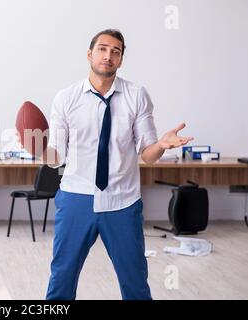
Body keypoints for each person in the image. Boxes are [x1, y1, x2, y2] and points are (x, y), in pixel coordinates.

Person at [42, 29, 194, 300]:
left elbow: (147, 154)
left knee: (135, 281)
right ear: (90, 54)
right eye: (102, 49)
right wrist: (38, 149)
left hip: (123, 202)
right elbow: (57, 158)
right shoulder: (66, 98)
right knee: (61, 280)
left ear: (121, 60)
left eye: (116, 51)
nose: (108, 56)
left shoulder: (137, 96)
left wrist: (160, 145)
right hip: (77, 198)